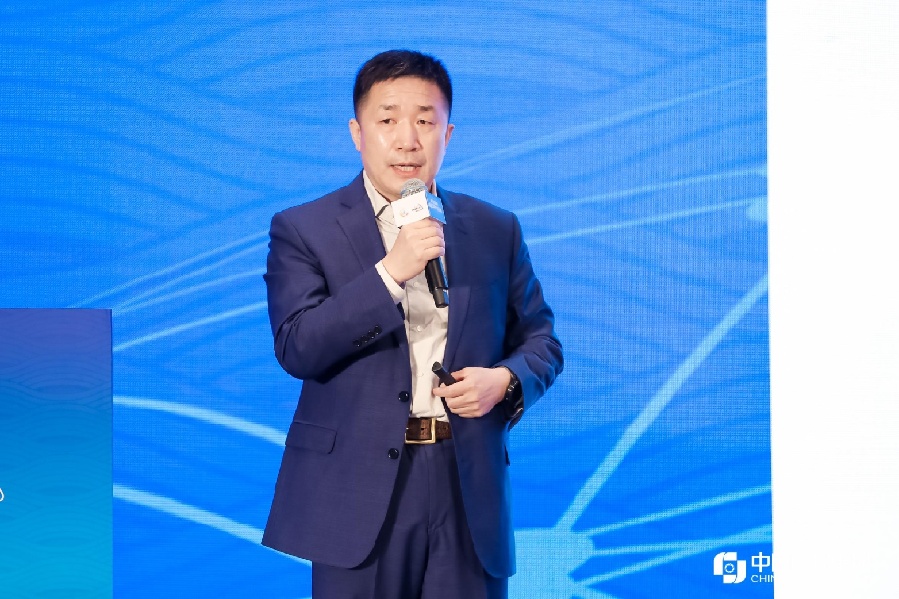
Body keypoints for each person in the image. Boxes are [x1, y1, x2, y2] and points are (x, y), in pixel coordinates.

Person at [261, 49, 563, 599]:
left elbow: (541, 340)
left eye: (425, 121)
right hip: (357, 488)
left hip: (466, 483)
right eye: (388, 120)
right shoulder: (304, 228)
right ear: (357, 133)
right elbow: (298, 345)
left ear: (449, 133)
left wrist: (505, 381)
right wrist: (390, 274)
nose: (408, 140)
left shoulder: (494, 228)